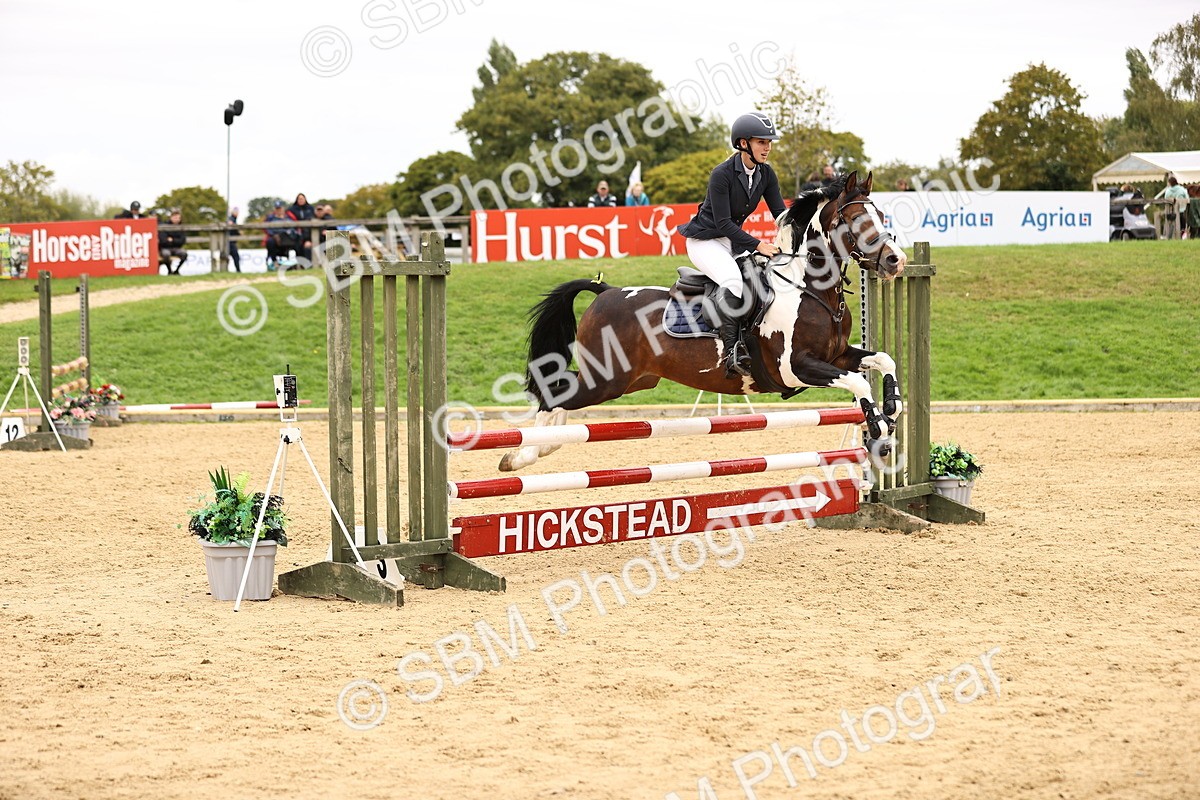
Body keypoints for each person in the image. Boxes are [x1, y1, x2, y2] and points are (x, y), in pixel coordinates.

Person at [676, 112, 786, 378]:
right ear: (743, 143)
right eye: (761, 142)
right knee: (734, 281)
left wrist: (801, 229)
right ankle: (731, 353)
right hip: (705, 241)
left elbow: (781, 215)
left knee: (762, 276)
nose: (768, 147)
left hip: (732, 242)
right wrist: (758, 245)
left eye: (769, 142)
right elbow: (724, 223)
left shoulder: (766, 174)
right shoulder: (722, 174)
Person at [263, 200, 296, 270]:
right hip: (275, 238)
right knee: (270, 242)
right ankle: (275, 262)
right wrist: (273, 235)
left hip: (286, 238)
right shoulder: (270, 218)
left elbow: (293, 227)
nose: (279, 210)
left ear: (283, 208)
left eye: (280, 208)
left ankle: (296, 264)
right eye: (277, 209)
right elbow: (266, 228)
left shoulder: (288, 217)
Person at [288, 193, 316, 265]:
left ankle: (308, 264)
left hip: (308, 233)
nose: (301, 200)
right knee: (298, 247)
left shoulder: (310, 208)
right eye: (299, 199)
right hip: (297, 233)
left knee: (307, 247)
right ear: (297, 200)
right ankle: (300, 264)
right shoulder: (292, 209)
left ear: (305, 199)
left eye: (302, 198)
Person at [158, 208, 187, 275]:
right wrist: (176, 240)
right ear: (171, 217)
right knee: (166, 254)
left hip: (177, 248)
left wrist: (172, 240)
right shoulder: (164, 226)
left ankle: (176, 270)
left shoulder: (181, 227)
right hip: (166, 248)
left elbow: (182, 241)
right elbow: (163, 241)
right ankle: (170, 271)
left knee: (184, 254)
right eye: (175, 217)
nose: (177, 219)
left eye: (178, 218)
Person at [227, 207, 241, 272]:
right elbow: (231, 225)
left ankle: (237, 270)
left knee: (234, 256)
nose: (237, 213)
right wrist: (238, 232)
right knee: (236, 256)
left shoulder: (233, 219)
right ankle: (238, 270)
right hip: (230, 242)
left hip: (230, 241)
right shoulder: (231, 219)